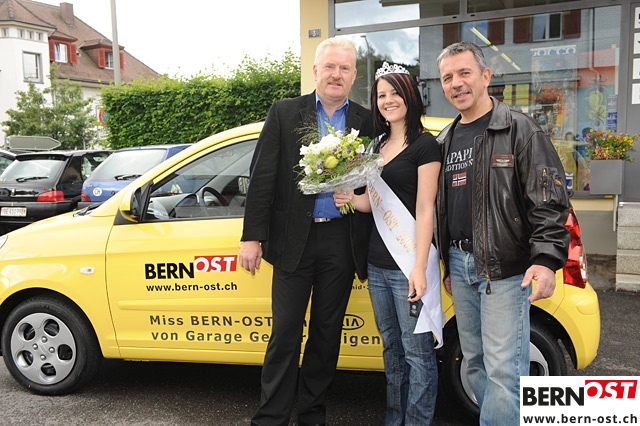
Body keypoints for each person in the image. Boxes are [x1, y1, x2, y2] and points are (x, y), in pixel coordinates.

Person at [239, 37, 374, 426]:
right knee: (284, 333)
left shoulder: (366, 120)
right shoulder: (284, 113)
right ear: (315, 71)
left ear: (353, 75)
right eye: (329, 66)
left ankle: (312, 416)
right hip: (292, 241)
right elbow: (262, 177)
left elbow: (376, 182)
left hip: (341, 241)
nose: (336, 74)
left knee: (327, 335)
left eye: (344, 68)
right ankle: (271, 418)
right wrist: (252, 237)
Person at [435, 41, 571, 425]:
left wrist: (546, 260)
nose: (456, 83)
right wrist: (448, 263)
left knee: (504, 369)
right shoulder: (444, 141)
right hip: (460, 265)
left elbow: (549, 199)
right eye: (447, 77)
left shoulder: (520, 130)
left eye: (464, 73)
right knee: (475, 362)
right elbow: (443, 209)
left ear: (485, 76)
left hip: (505, 267)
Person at [334, 62, 442, 426]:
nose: (388, 100)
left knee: (418, 354)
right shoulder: (377, 145)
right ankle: (395, 419)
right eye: (381, 95)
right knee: (392, 350)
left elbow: (425, 209)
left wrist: (419, 267)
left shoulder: (425, 146)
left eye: (395, 92)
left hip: (407, 264)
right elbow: (372, 203)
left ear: (410, 95)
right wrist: (348, 197)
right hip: (377, 265)